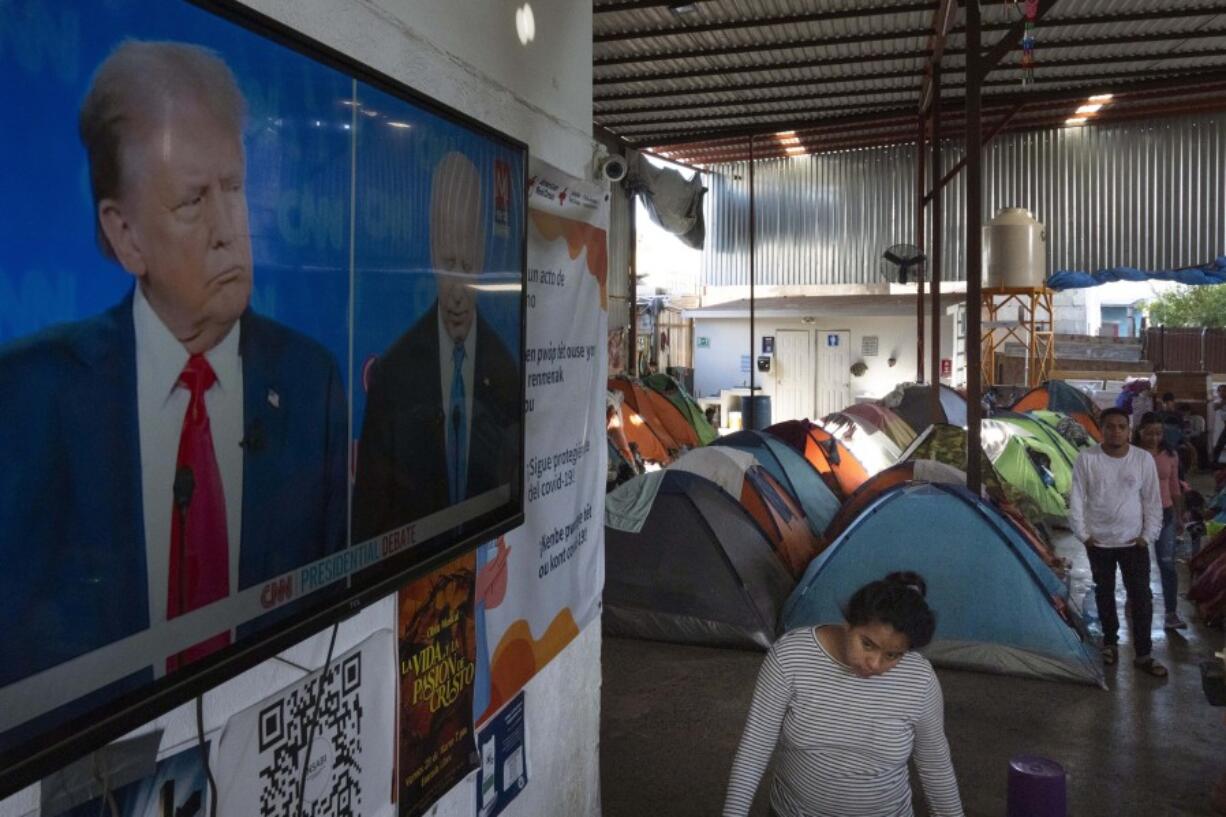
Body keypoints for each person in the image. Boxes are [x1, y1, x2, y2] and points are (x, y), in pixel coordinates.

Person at [0, 41, 348, 691]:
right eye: (193, 201)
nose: (228, 227)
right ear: (127, 234)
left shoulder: (310, 383)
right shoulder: (29, 400)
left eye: (235, 189)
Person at [352, 151, 519, 542]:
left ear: (482, 258)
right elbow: (368, 522)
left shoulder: (508, 372)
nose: (458, 293)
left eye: (466, 266)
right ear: (430, 256)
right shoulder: (392, 376)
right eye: (447, 266)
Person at [723, 572, 964, 817]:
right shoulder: (790, 658)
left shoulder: (919, 679)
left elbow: (935, 766)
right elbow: (755, 748)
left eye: (892, 655)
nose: (874, 663)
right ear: (848, 624)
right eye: (867, 644)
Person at [1069, 407, 1166, 676]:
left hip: (1134, 543)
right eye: (1110, 426)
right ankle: (1110, 642)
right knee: (1104, 592)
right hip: (1099, 542)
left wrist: (1147, 536)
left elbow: (1152, 501)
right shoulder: (1087, 458)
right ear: (1101, 429)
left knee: (1141, 597)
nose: (1116, 431)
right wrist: (1084, 535)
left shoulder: (1142, 459)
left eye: (1121, 427)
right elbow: (1076, 497)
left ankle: (1144, 654)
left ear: (1129, 430)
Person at [1135, 412, 1188, 629]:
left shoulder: (1170, 454)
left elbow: (1175, 486)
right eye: (1149, 433)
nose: (1154, 438)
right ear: (1140, 432)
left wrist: (1179, 514)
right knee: (1139, 565)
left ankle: (1171, 613)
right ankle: (1138, 603)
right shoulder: (1131, 454)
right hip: (1136, 517)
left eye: (1158, 433)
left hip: (1165, 514)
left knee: (1167, 564)